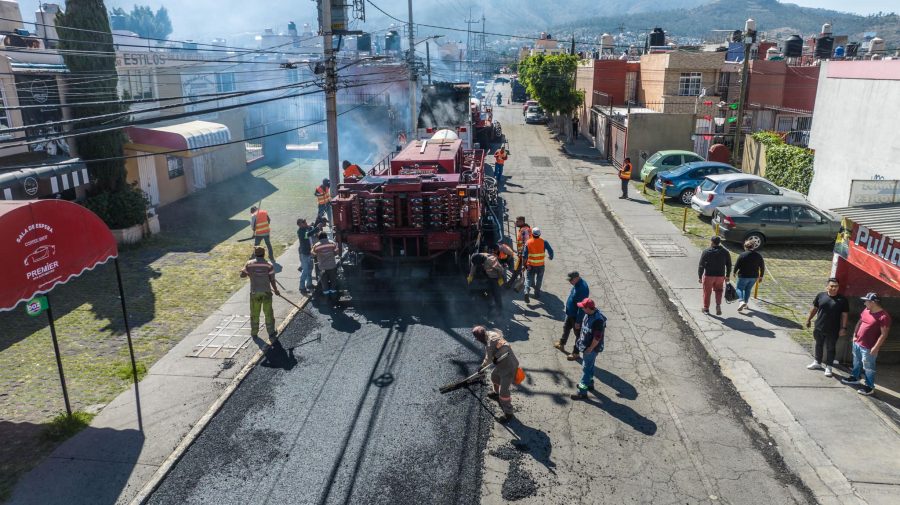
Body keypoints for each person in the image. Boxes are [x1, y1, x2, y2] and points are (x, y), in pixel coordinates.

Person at [842, 293, 892, 396]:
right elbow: (860, 322)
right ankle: (855, 378)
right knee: (856, 362)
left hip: (869, 347)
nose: (864, 303)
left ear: (873, 302)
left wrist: (875, 347)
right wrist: (854, 335)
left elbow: (884, 334)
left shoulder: (884, 317)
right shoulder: (866, 310)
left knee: (869, 368)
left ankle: (869, 387)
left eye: (866, 301)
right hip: (858, 343)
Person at [474, 326, 519, 423]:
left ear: (480, 337)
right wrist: (482, 366)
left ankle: (508, 413)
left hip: (509, 366)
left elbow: (506, 346)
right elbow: (488, 356)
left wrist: (496, 357)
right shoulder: (489, 335)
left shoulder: (492, 341)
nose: (477, 340)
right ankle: (496, 393)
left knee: (504, 393)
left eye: (477, 338)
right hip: (501, 365)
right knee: (494, 378)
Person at [806, 277, 849, 377]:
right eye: (832, 286)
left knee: (831, 347)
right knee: (818, 344)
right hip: (819, 326)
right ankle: (817, 362)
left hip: (833, 329)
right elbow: (815, 309)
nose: (834, 288)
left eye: (836, 286)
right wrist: (808, 319)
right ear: (827, 287)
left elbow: (844, 315)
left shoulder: (842, 300)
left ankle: (829, 367)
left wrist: (843, 328)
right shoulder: (820, 296)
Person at [240, 246, 280, 341]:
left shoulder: (249, 264)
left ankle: (254, 333)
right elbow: (272, 280)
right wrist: (276, 290)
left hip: (254, 293)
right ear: (264, 254)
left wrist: (245, 271)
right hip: (266, 292)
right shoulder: (269, 265)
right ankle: (271, 332)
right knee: (268, 313)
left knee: (255, 313)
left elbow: (242, 275)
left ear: (255, 253)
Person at [570, 298, 607, 400]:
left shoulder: (598, 320)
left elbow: (597, 338)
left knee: (586, 369)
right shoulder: (589, 314)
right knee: (590, 366)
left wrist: (590, 348)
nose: (581, 309)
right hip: (586, 346)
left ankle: (582, 392)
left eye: (583, 307)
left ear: (588, 308)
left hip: (591, 349)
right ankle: (590, 383)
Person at [556, 271, 589, 359]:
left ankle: (576, 353)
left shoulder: (582, 288)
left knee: (578, 335)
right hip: (570, 313)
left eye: (571, 280)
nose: (570, 282)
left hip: (576, 316)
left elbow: (582, 308)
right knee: (566, 328)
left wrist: (578, 321)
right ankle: (562, 343)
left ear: (577, 278)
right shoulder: (577, 284)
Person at [698, 236, 732, 315]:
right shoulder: (725, 252)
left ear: (712, 242)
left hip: (709, 275)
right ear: (719, 242)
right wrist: (727, 275)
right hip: (720, 276)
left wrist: (700, 276)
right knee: (719, 291)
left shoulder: (706, 251)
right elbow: (729, 265)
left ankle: (706, 308)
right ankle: (718, 305)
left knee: (707, 292)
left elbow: (701, 265)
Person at [523, 227, 554, 303]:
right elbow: (551, 251)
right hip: (540, 265)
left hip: (531, 265)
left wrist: (525, 265)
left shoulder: (528, 242)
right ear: (539, 234)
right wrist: (551, 257)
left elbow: (524, 256)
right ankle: (537, 294)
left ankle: (526, 290)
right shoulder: (544, 242)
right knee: (539, 280)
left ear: (532, 234)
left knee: (528, 279)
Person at [733, 240, 765, 312]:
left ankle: (741, 301)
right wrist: (761, 276)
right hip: (754, 277)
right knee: (748, 289)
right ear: (753, 247)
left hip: (743, 276)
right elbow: (762, 266)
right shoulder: (758, 255)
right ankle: (746, 303)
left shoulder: (742, 255)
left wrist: (734, 272)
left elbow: (737, 265)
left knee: (739, 289)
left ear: (745, 247)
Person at [311, 232, 339, 299]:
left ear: (319, 238)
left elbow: (313, 254)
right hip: (332, 266)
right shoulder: (332, 243)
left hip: (322, 268)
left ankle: (326, 297)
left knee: (324, 282)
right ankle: (333, 295)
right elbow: (337, 252)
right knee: (333, 281)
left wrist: (318, 255)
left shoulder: (316, 245)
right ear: (326, 237)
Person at [507, 217, 531, 289]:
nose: (516, 223)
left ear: (522, 222)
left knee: (517, 268)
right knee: (524, 268)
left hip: (523, 254)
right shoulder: (524, 229)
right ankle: (526, 280)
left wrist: (522, 252)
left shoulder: (524, 230)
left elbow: (526, 243)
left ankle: (510, 283)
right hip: (523, 253)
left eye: (517, 222)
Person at [296, 218, 316, 294]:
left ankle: (309, 284)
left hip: (309, 252)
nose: (305, 223)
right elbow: (307, 235)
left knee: (310, 269)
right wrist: (317, 228)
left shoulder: (305, 228)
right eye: (303, 222)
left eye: (305, 221)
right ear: (299, 225)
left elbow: (309, 229)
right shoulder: (300, 231)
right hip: (305, 253)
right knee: (305, 270)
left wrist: (310, 226)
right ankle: (302, 287)